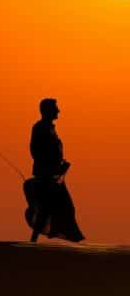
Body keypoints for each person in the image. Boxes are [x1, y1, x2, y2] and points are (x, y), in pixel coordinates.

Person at [26, 98, 84, 243]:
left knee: (59, 208)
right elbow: (36, 151)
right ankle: (34, 243)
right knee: (49, 209)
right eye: (55, 108)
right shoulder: (39, 128)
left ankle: (35, 241)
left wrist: (60, 165)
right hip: (46, 176)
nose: (58, 111)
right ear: (48, 111)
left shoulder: (50, 128)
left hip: (53, 175)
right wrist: (51, 166)